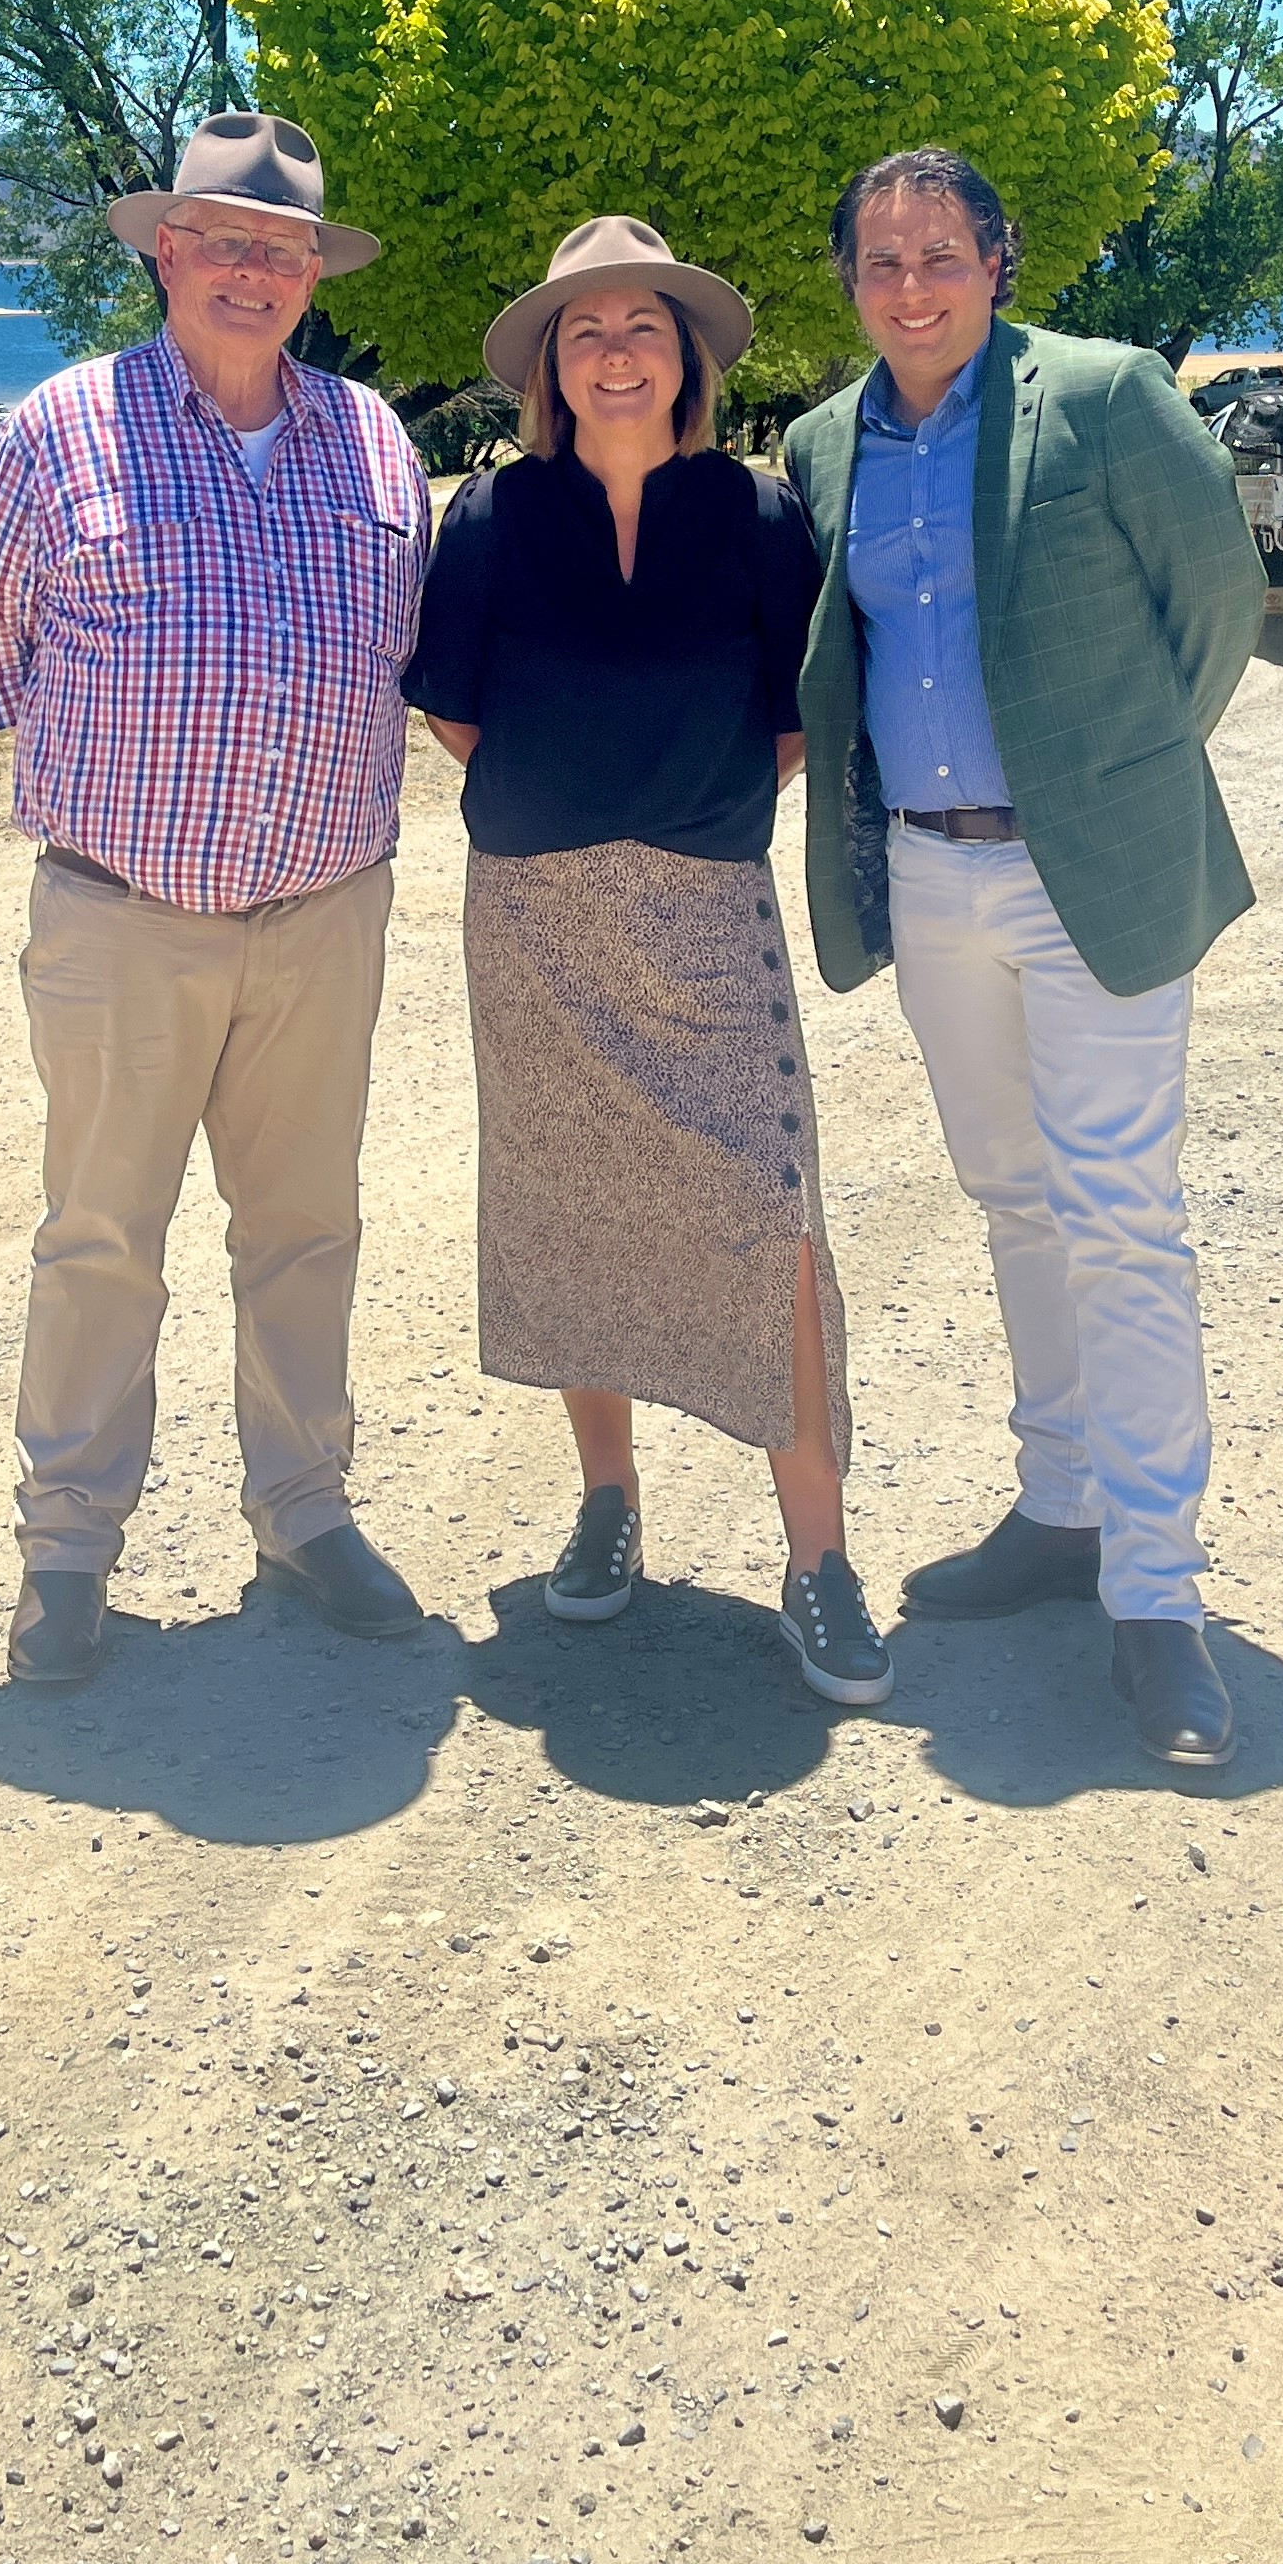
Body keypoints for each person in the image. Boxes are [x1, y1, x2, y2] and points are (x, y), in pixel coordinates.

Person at [782, 148, 1263, 1768]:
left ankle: (1156, 1594)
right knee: (1008, 1195)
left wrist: (1112, 776)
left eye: (937, 253)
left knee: (1119, 1215)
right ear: (847, 280)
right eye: (878, 260)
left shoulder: (1108, 396)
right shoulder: (821, 442)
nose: (908, 285)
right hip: (927, 881)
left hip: (1086, 875)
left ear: (996, 257)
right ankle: (1060, 1503)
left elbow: (1214, 599)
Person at [0, 113, 433, 1686]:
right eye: (220, 241)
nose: (248, 272)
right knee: (101, 1235)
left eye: (279, 252)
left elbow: (411, 655)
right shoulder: (61, 429)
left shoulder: (373, 444)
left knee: (304, 1231)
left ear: (309, 276)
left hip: (325, 917)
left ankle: (301, 1510)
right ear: (165, 251)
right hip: (122, 917)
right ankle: (69, 1548)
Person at [407, 215, 891, 1707]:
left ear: (686, 356)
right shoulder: (489, 519)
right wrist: (587, 801)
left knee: (769, 1224)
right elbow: (459, 711)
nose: (616, 353)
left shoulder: (755, 516)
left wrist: (679, 800)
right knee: (571, 1218)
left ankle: (819, 1561)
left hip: (703, 910)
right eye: (585, 331)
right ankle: (609, 1502)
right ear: (552, 366)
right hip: (535, 921)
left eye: (643, 326)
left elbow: (801, 712)